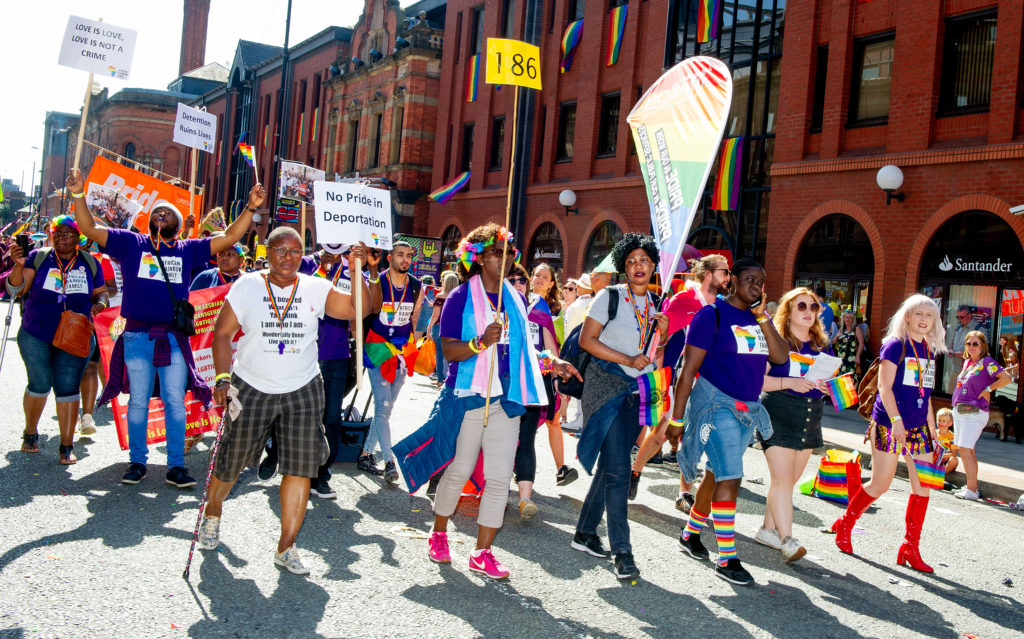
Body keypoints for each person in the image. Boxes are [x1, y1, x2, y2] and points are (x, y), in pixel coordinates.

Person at [398, 223, 579, 579]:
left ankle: (482, 552)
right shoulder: (460, 297)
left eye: (508, 251)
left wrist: (551, 362)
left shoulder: (516, 299)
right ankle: (438, 532)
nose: (506, 257)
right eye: (497, 252)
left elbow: (524, 348)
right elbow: (448, 349)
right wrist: (481, 343)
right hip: (469, 395)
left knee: (498, 479)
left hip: (508, 397)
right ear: (478, 259)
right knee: (460, 468)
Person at [67, 167, 263, 487]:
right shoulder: (130, 243)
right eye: (156, 211)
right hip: (136, 336)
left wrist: (251, 208)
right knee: (140, 399)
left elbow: (228, 238)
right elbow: (88, 227)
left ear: (175, 224)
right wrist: (77, 193)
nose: (161, 214)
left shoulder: (188, 249)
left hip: (173, 339)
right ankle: (137, 462)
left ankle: (176, 466)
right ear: (149, 222)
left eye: (167, 213)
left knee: (174, 399)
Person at [197, 229, 371, 575]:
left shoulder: (314, 287)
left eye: (295, 251)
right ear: (269, 251)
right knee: (232, 461)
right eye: (281, 250)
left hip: (303, 388)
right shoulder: (247, 285)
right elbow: (221, 334)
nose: (288, 257)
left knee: (301, 468)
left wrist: (358, 270)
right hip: (251, 386)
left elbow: (358, 309)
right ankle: (212, 511)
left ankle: (286, 546)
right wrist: (221, 377)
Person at [671, 259, 789, 586]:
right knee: (731, 476)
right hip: (715, 405)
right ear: (732, 281)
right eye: (749, 279)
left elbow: (780, 358)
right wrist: (677, 418)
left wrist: (763, 316)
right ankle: (727, 559)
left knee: (718, 472)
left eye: (761, 281)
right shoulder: (712, 315)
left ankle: (691, 534)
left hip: (747, 410)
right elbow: (689, 371)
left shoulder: (758, 318)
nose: (756, 286)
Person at [571, 233, 668, 581]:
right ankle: (622, 552)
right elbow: (587, 340)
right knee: (619, 471)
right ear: (623, 267)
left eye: (643, 260)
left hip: (636, 392)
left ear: (653, 265)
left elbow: (653, 356)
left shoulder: (656, 304)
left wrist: (664, 335)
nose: (637, 266)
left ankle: (584, 532)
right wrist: (627, 357)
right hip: (605, 387)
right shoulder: (608, 297)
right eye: (631, 261)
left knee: (612, 463)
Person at [830, 294, 946, 573]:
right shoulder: (896, 345)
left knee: (923, 487)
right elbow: (884, 387)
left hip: (919, 427)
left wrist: (932, 429)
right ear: (907, 316)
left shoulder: (929, 349)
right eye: (918, 314)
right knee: (881, 483)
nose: (924, 320)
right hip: (888, 424)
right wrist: (896, 421)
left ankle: (910, 547)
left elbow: (926, 395)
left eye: (929, 316)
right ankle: (845, 524)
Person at [630, 254, 730, 512]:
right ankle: (635, 471)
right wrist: (660, 381)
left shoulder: (719, 309)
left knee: (694, 438)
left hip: (705, 383)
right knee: (662, 434)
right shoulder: (683, 300)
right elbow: (659, 340)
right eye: (724, 272)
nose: (728, 278)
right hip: (676, 380)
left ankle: (684, 492)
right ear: (708, 274)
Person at [6, 215, 108, 464]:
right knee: (39, 384)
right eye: (58, 233)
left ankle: (66, 446)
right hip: (36, 333)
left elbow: (101, 292)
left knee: (68, 387)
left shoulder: (89, 262)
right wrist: (18, 264)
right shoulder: (38, 258)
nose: (62, 238)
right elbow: (15, 289)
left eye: (68, 234)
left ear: (78, 238)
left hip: (76, 336)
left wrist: (101, 303)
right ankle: (30, 433)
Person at [755, 287, 832, 563]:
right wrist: (791, 382)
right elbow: (759, 382)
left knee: (785, 481)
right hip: (778, 411)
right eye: (802, 307)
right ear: (788, 311)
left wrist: (827, 386)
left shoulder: (823, 345)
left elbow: (823, 383)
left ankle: (767, 529)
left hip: (811, 414)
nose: (809, 312)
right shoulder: (776, 341)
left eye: (813, 307)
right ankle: (788, 540)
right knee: (784, 480)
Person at [359, 241, 424, 483]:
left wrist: (410, 351)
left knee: (385, 411)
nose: (405, 259)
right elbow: (368, 309)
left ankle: (366, 454)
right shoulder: (377, 281)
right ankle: (389, 462)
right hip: (377, 350)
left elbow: (414, 318)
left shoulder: (416, 286)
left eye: (408, 256)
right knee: (383, 408)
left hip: (400, 352)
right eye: (400, 255)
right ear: (390, 258)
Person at [508, 264, 561, 517]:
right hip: (502, 383)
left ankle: (525, 498)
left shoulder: (538, 309)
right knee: (502, 439)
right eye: (513, 280)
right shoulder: (497, 306)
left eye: (522, 279)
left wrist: (548, 368)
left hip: (531, 385)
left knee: (526, 439)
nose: (518, 284)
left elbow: (550, 351)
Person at [529, 263, 577, 486]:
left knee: (553, 419)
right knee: (523, 423)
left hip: (546, 371)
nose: (539, 279)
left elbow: (556, 345)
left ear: (551, 284)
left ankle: (561, 469)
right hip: (524, 370)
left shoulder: (556, 310)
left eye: (545, 276)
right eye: (536, 275)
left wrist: (557, 377)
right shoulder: (520, 301)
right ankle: (517, 468)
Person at [950, 330, 1012, 500]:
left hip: (974, 411)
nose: (971, 347)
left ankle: (971, 490)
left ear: (983, 345)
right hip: (961, 410)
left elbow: (1006, 378)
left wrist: (989, 389)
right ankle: (972, 487)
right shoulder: (968, 362)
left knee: (965, 449)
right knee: (967, 450)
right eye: (968, 343)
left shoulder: (987, 362)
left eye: (975, 344)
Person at [427, 271, 459, 388]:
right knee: (452, 355)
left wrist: (429, 328)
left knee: (439, 355)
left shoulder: (440, 296)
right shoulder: (459, 297)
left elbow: (435, 315)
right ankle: (450, 379)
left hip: (439, 327)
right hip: (454, 329)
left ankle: (440, 379)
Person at [945, 305, 978, 394]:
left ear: (969, 315)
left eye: (962, 317)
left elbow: (980, 352)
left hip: (969, 373)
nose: (959, 319)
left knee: (963, 401)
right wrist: (950, 350)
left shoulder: (977, 329)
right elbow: (952, 342)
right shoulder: (959, 326)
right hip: (955, 370)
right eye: (957, 317)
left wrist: (959, 354)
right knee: (950, 397)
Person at [832, 309, 865, 381]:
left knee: (850, 381)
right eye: (846, 317)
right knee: (841, 382)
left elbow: (861, 343)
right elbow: (833, 342)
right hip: (841, 361)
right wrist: (837, 336)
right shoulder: (841, 330)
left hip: (851, 360)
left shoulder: (856, 329)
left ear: (853, 319)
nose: (847, 319)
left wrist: (858, 356)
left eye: (850, 318)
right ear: (843, 318)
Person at [935, 408, 959, 480]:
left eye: (944, 421)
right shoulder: (933, 433)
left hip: (945, 460)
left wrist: (941, 456)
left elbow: (954, 454)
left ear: (950, 424)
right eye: (939, 420)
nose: (940, 423)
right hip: (933, 459)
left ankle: (939, 476)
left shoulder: (953, 437)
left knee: (954, 460)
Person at [415, 274, 436, 341]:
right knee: (431, 344)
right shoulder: (437, 291)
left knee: (417, 342)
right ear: (432, 282)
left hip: (420, 320)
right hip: (432, 321)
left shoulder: (418, 291)